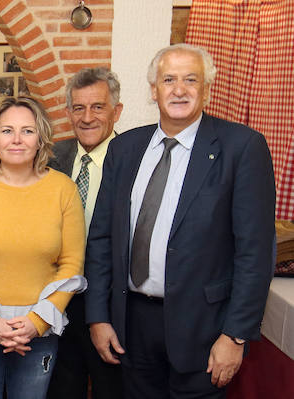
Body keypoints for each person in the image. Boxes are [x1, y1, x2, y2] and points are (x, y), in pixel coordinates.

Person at [85, 44, 276, 398]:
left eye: (191, 80)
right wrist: (98, 316)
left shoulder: (242, 148)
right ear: (153, 90)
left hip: (205, 332)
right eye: (168, 80)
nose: (179, 89)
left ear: (206, 90)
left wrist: (235, 335)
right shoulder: (124, 148)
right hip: (131, 327)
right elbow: (100, 239)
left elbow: (255, 253)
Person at [0, 96, 86, 399]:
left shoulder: (63, 190)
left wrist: (36, 323)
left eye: (27, 131)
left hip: (40, 329)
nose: (17, 139)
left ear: (41, 138)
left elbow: (72, 265)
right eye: (7, 130)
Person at [46, 67, 124, 399]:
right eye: (78, 108)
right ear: (68, 113)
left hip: (110, 305)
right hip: (58, 302)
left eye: (98, 107)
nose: (87, 117)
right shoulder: (50, 157)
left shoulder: (133, 160)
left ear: (117, 111)